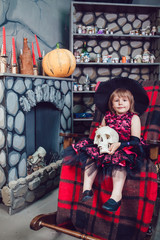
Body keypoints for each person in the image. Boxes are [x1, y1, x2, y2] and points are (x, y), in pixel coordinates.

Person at [63, 77, 149, 212]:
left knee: (119, 162)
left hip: (126, 147)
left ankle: (116, 196)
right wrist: (100, 133)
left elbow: (135, 141)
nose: (120, 103)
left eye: (124, 100)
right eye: (116, 100)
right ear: (112, 104)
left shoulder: (134, 118)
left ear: (130, 103)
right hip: (106, 145)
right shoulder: (107, 116)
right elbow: (101, 131)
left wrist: (119, 145)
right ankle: (87, 189)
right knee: (91, 156)